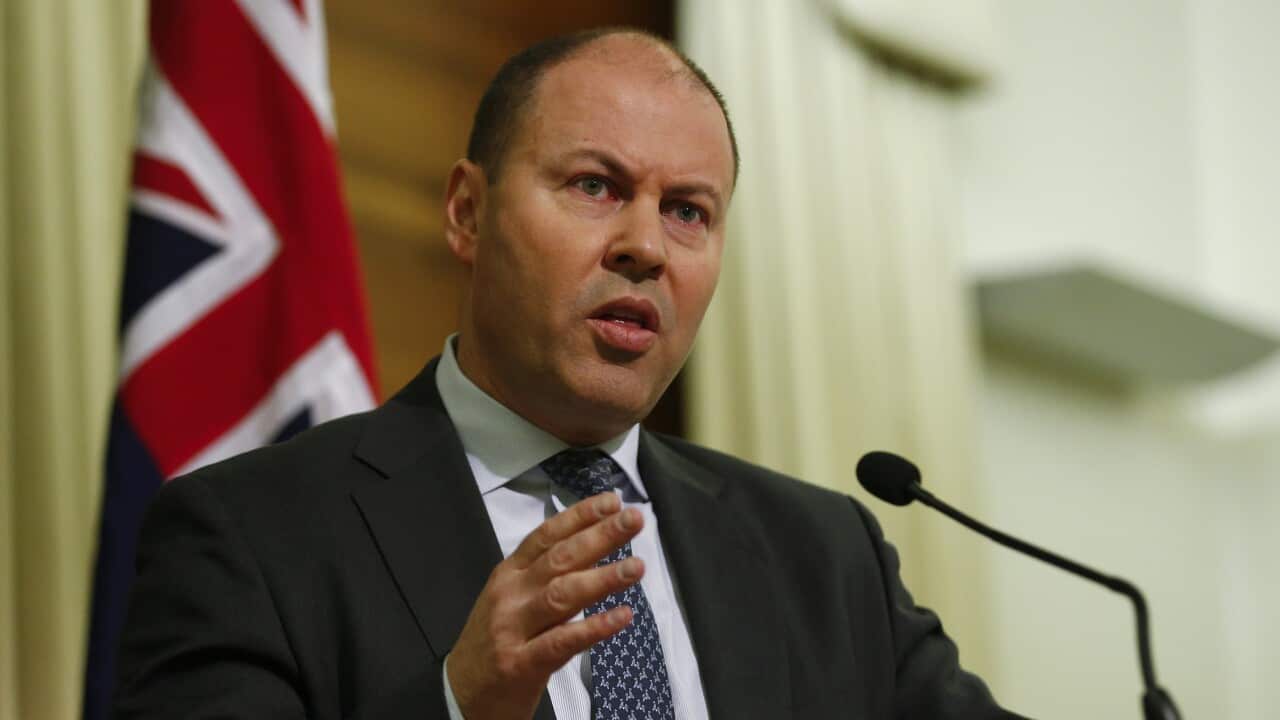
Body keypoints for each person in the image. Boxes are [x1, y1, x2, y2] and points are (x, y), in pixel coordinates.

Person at [114, 28, 1026, 720]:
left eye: (688, 212)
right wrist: (454, 706)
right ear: (469, 214)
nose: (643, 247)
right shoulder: (251, 537)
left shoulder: (826, 558)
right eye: (595, 186)